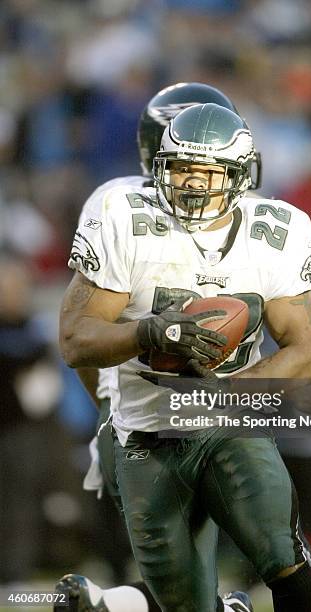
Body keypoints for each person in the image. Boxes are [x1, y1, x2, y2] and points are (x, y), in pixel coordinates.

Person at [59, 102, 311, 611]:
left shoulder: (275, 233)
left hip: (230, 421)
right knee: (186, 603)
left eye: (209, 172)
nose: (194, 184)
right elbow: (75, 339)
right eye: (182, 169)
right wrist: (148, 333)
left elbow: (307, 354)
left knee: (281, 554)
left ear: (238, 177)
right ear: (160, 168)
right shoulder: (123, 217)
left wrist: (229, 397)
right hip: (146, 434)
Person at [56, 84, 258, 612]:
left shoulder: (239, 209)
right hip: (144, 410)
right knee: (180, 567)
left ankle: (110, 604)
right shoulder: (119, 201)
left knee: (181, 568)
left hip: (198, 406)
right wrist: (111, 407)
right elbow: (79, 331)